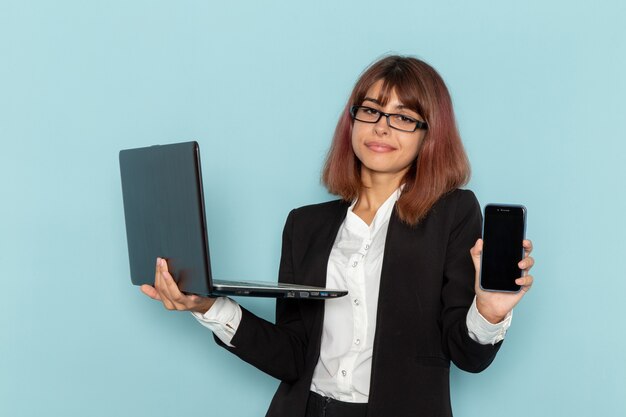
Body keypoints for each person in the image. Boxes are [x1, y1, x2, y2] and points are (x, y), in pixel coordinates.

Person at [140, 55, 535, 417]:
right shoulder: (304, 225)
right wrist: (206, 307)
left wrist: (489, 313)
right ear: (353, 120)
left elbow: (468, 356)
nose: (382, 126)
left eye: (404, 116)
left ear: (428, 135)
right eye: (371, 110)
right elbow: (293, 357)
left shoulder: (452, 213)